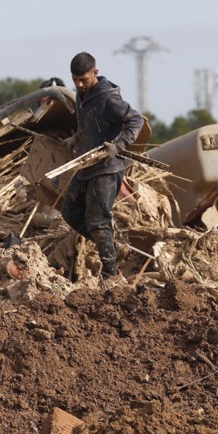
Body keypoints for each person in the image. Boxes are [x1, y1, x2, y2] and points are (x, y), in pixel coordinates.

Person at [61, 52, 144, 278]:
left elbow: (136, 120)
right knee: (69, 211)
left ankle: (111, 273)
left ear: (95, 73)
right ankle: (111, 244)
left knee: (98, 221)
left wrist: (116, 146)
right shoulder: (82, 95)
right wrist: (76, 138)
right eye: (75, 79)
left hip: (108, 168)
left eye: (83, 79)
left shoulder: (109, 99)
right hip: (87, 165)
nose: (79, 84)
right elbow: (90, 125)